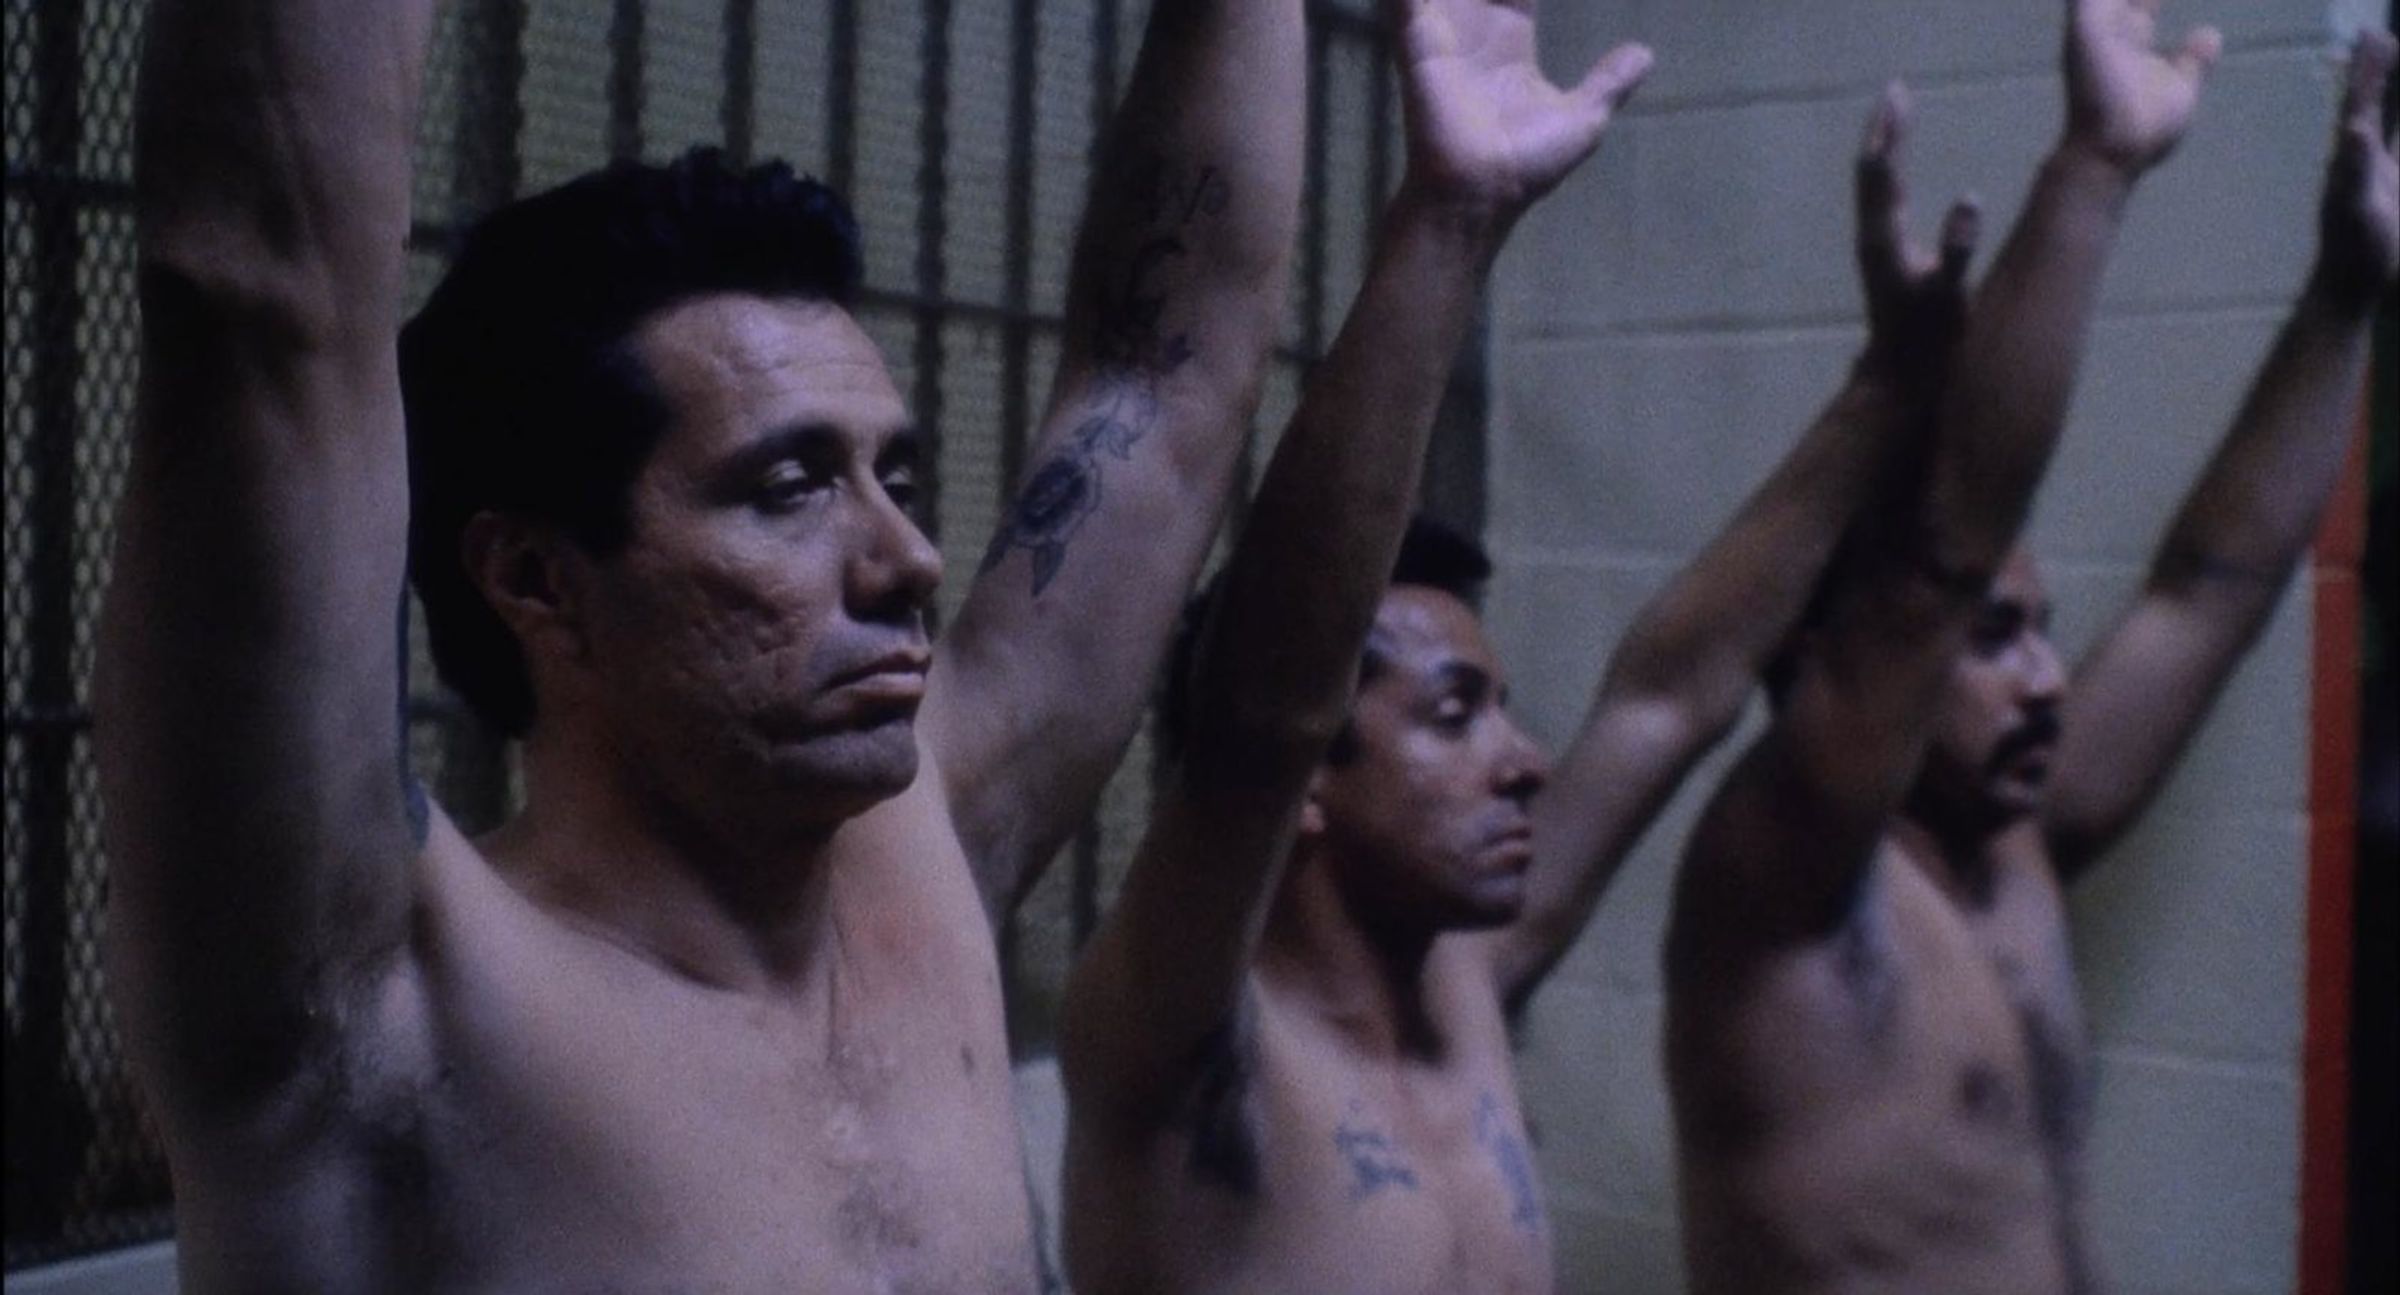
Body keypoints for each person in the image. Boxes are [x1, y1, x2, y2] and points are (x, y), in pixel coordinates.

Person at [94, 0, 1304, 1286]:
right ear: (535, 578)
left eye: (894, 476)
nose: (908, 557)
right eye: (790, 486)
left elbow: (1164, 379)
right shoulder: (383, 1004)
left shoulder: (922, 859)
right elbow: (264, 289)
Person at [1055, 2, 2001, 1289]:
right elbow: (1259, 722)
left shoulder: (1462, 981)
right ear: (1313, 783)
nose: (1527, 763)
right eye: (1456, 714)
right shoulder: (1181, 1040)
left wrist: (1888, 386)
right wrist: (1448, 222)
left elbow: (1670, 694)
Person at [1664, 8, 2397, 1292]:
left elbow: (2210, 589)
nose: (2049, 680)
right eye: (1993, 640)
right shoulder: (1775, 883)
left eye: (2042, 636)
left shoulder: (2009, 842)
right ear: (1832, 657)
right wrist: (2092, 169)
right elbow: (1941, 556)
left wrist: (2346, 295)